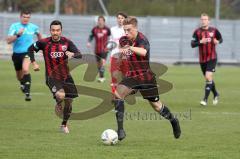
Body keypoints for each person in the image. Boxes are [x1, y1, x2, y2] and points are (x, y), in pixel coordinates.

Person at [113, 16, 181, 140]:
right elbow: (122, 50)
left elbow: (143, 52)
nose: (126, 33)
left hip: (146, 77)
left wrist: (130, 48)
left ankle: (173, 120)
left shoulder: (143, 39)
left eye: (129, 30)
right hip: (132, 76)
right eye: (125, 30)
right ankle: (120, 130)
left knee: (156, 106)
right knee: (117, 95)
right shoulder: (124, 39)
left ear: (136, 28)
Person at [24, 20, 82, 133]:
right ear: (50, 31)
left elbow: (79, 55)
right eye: (53, 30)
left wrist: (73, 54)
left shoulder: (67, 42)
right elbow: (30, 49)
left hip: (66, 76)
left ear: (61, 31)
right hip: (52, 77)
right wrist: (34, 62)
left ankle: (64, 125)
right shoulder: (44, 42)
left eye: (57, 30)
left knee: (69, 102)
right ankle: (59, 101)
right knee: (61, 95)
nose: (55, 32)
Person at [6, 10, 42, 101]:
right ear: (20, 17)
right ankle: (22, 83)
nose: (26, 19)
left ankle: (27, 93)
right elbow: (8, 41)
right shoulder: (14, 26)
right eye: (24, 17)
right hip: (16, 54)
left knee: (25, 69)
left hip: (28, 52)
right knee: (19, 76)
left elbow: (39, 35)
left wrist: (41, 46)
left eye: (28, 17)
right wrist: (18, 35)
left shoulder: (33, 27)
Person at [191, 13, 223, 106]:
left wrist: (218, 41)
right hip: (202, 59)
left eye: (205, 19)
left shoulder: (214, 30)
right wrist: (200, 42)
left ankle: (205, 99)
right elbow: (192, 44)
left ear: (209, 21)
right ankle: (216, 94)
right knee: (208, 78)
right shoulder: (197, 32)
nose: (203, 21)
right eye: (202, 19)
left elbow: (221, 39)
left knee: (208, 77)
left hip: (212, 57)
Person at [87, 15, 111, 83]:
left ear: (104, 22)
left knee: (102, 62)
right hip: (97, 49)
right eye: (99, 21)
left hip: (105, 49)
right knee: (98, 64)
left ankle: (102, 77)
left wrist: (110, 44)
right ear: (97, 21)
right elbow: (91, 36)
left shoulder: (107, 29)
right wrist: (89, 42)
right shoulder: (94, 29)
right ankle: (101, 76)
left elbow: (111, 37)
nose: (100, 22)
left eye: (101, 21)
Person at [109, 12, 128, 95]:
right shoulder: (112, 29)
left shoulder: (128, 30)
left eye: (122, 18)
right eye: (118, 18)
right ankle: (115, 98)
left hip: (125, 57)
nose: (120, 20)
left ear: (125, 19)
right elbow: (110, 41)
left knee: (125, 78)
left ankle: (121, 96)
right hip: (115, 56)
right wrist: (108, 46)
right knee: (114, 77)